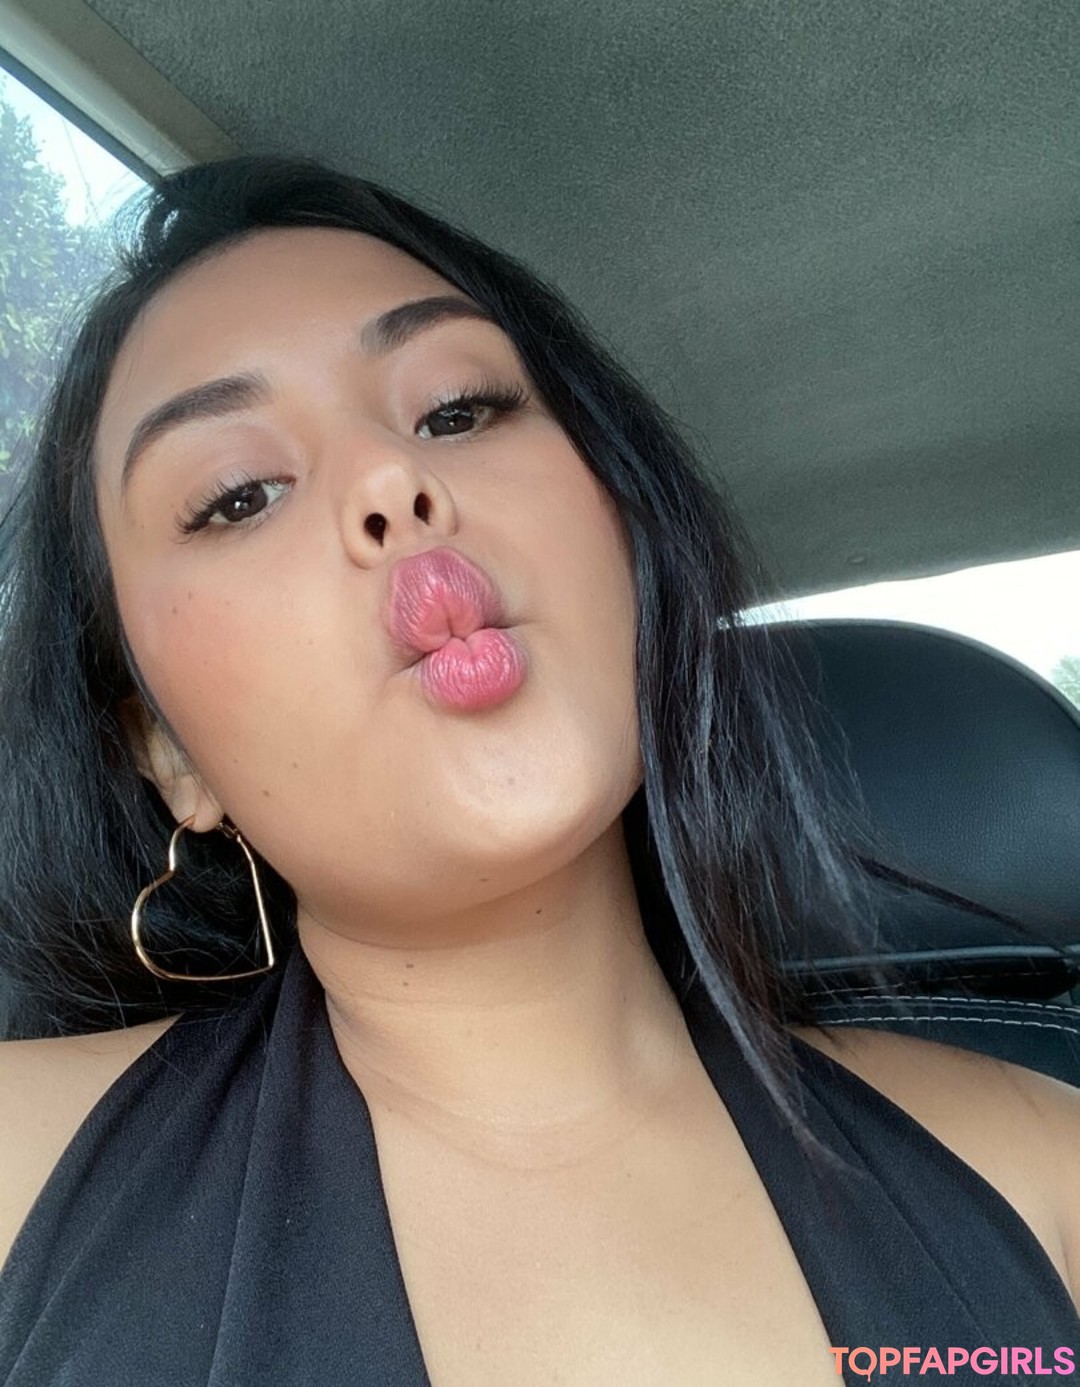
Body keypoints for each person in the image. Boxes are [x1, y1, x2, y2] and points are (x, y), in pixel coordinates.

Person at [0, 157, 1075, 1387]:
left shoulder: (1046, 1170)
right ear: (169, 752)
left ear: (628, 531)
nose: (391, 481)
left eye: (457, 410)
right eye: (238, 495)